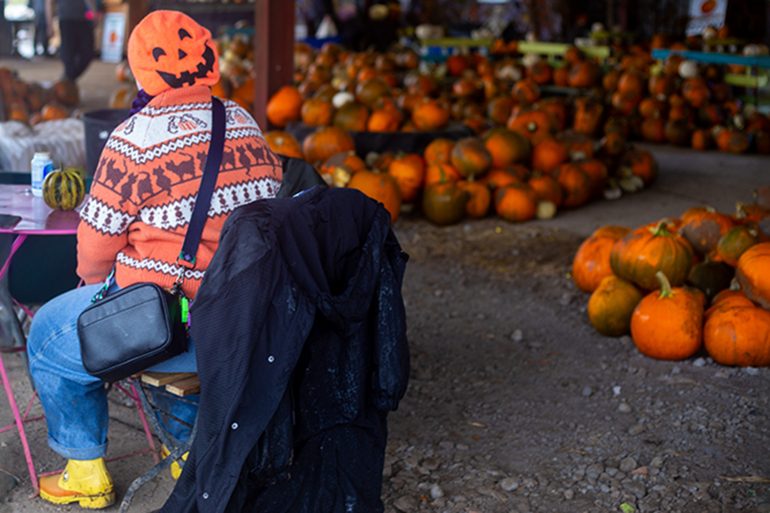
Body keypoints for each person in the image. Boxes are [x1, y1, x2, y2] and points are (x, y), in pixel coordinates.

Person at [26, 10, 282, 509]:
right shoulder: (245, 123)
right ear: (209, 60)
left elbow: (95, 248)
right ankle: (189, 450)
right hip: (244, 318)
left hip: (171, 326)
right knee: (149, 328)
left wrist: (95, 286)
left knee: (49, 335)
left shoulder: (134, 139)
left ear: (141, 70)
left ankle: (85, 473)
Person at [45, 0, 97, 80]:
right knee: (68, 53)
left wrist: (93, 15)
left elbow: (89, 1)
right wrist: (49, 24)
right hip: (66, 19)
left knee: (88, 52)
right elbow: (50, 2)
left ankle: (68, 78)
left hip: (85, 19)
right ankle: (68, 79)